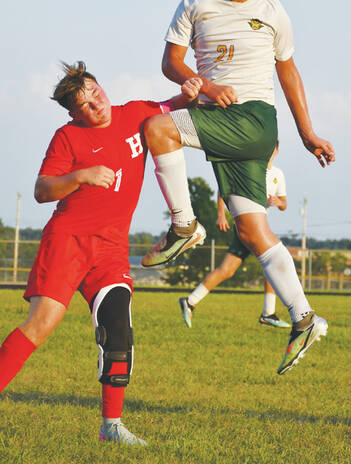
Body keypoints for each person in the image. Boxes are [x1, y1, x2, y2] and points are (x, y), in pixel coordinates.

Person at [142, 0, 336, 375]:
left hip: (252, 120)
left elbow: (288, 73)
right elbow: (171, 63)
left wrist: (307, 133)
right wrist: (206, 85)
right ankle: (304, 318)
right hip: (221, 118)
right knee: (252, 232)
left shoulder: (273, 12)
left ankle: (184, 226)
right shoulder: (196, 2)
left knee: (157, 128)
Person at [0, 61, 201, 447]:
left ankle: (111, 425)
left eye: (97, 94)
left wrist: (190, 93)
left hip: (110, 250)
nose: (97, 106)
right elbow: (42, 190)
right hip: (67, 242)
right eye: (86, 106)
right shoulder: (67, 137)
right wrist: (80, 176)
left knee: (119, 332)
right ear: (74, 114)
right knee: (39, 327)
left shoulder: (136, 114)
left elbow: (176, 107)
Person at [179, 143, 291, 329]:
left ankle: (190, 301)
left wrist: (278, 201)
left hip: (259, 226)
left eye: (272, 147)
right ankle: (268, 313)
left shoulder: (278, 174)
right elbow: (225, 188)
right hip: (248, 226)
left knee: (227, 270)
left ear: (277, 150)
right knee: (273, 263)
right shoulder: (251, 168)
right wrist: (221, 215)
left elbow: (284, 203)